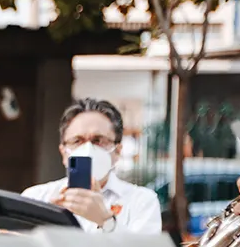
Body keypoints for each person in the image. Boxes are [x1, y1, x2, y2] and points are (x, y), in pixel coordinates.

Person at [22, 98, 162, 234]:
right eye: (77, 140)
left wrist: (106, 221)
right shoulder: (36, 198)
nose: (88, 148)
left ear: (117, 152)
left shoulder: (141, 201)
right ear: (64, 153)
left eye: (98, 140)